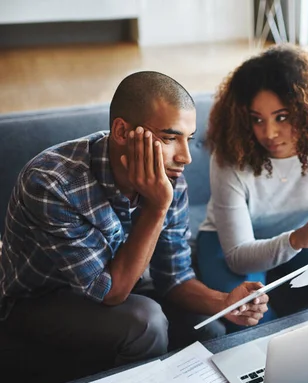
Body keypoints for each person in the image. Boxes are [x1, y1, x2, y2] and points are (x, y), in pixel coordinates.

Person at [0, 71, 269, 367]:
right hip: (40, 300)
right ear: (121, 132)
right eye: (169, 138)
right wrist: (156, 207)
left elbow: (174, 276)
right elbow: (109, 293)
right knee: (146, 323)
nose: (185, 157)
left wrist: (225, 303)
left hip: (124, 279)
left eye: (188, 140)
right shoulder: (52, 183)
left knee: (209, 328)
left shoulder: (169, 174)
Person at [196, 46, 308, 327]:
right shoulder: (230, 155)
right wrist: (296, 239)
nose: (269, 133)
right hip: (230, 245)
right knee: (251, 312)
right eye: (257, 119)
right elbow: (239, 258)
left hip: (300, 240)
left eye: (282, 117)